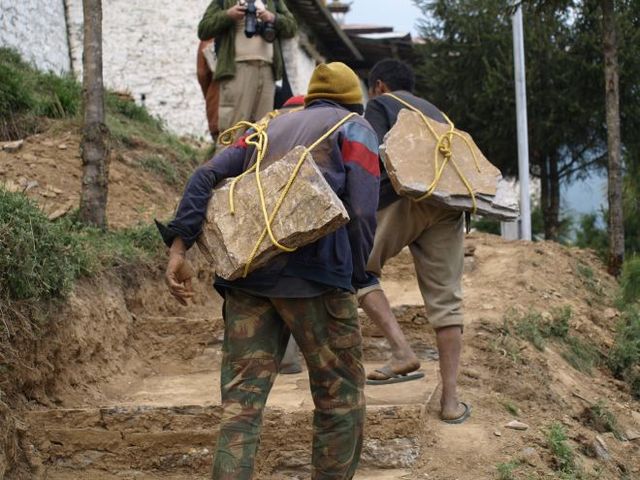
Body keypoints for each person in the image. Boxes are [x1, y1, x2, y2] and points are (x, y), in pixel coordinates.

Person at [159, 62, 380, 479]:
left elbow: (206, 174)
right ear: (356, 101)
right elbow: (365, 211)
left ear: (311, 97)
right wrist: (354, 275)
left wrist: (179, 247)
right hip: (319, 282)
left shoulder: (266, 127)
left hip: (248, 279)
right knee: (339, 402)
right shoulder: (355, 127)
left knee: (241, 408)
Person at [357, 59, 471, 425]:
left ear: (379, 86)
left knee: (356, 270)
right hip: (448, 204)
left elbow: (369, 154)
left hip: (402, 198)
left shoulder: (380, 105)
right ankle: (450, 402)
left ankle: (401, 349)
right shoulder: (436, 113)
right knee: (446, 302)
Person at [197, 0, 297, 134]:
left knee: (263, 132)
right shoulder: (225, 1)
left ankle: (257, 155)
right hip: (237, 70)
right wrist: (228, 15)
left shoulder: (273, 2)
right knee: (233, 131)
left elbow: (292, 27)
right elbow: (203, 29)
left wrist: (272, 18)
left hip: (268, 72)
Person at [197, 39, 221, 139]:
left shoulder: (208, 39)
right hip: (250, 120)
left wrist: (209, 97)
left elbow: (202, 74)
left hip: (217, 112)